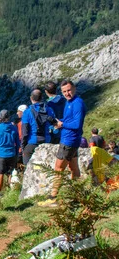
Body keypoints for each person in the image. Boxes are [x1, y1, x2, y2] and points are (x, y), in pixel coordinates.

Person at [39, 79, 87, 207]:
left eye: (69, 90)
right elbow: (69, 120)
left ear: (74, 88)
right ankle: (77, 195)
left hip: (69, 140)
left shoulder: (77, 103)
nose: (67, 93)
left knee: (58, 168)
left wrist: (62, 124)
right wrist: (58, 122)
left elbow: (77, 124)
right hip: (72, 139)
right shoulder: (69, 102)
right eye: (64, 91)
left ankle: (53, 197)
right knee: (73, 167)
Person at [21, 89, 55, 165]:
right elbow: (54, 126)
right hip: (47, 141)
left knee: (27, 162)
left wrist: (23, 148)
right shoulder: (49, 110)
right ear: (42, 98)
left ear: (31, 98)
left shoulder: (27, 112)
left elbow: (25, 132)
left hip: (33, 142)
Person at [0, 109, 20, 195]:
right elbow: (17, 143)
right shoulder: (14, 128)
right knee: (10, 173)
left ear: (0, 118)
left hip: (0, 154)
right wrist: (16, 153)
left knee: (0, 174)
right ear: (9, 117)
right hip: (12, 154)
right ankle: (11, 192)